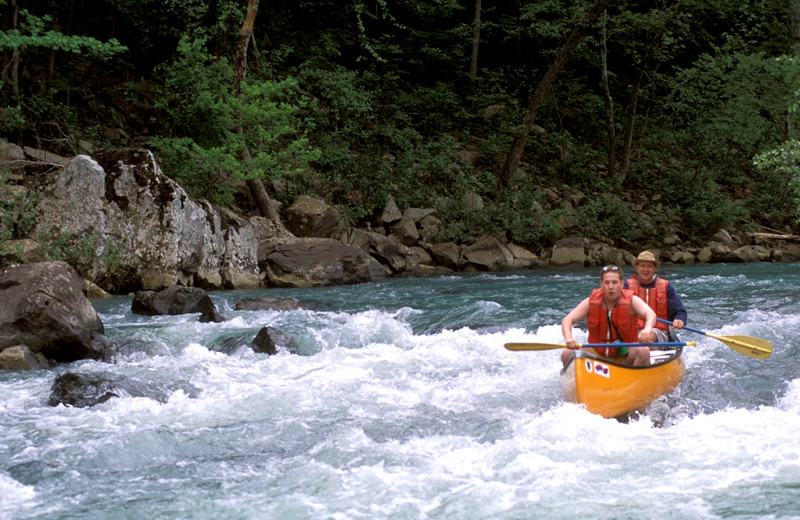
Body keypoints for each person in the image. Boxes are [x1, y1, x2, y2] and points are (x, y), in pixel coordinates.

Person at [561, 264, 656, 367]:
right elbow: (567, 320)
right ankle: (575, 380)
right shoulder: (590, 302)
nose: (611, 287)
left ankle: (634, 377)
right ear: (601, 284)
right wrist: (569, 339)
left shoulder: (632, 301)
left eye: (615, 282)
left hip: (625, 356)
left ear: (621, 284)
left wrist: (647, 329)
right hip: (597, 353)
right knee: (566, 354)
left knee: (644, 351)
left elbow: (650, 314)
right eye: (607, 283)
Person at [624, 251, 687, 344]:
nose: (646, 269)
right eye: (642, 266)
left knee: (646, 338)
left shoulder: (666, 286)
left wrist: (680, 320)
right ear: (636, 267)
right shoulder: (626, 286)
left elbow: (680, 312)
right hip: (632, 331)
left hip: (659, 332)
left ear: (655, 268)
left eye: (649, 266)